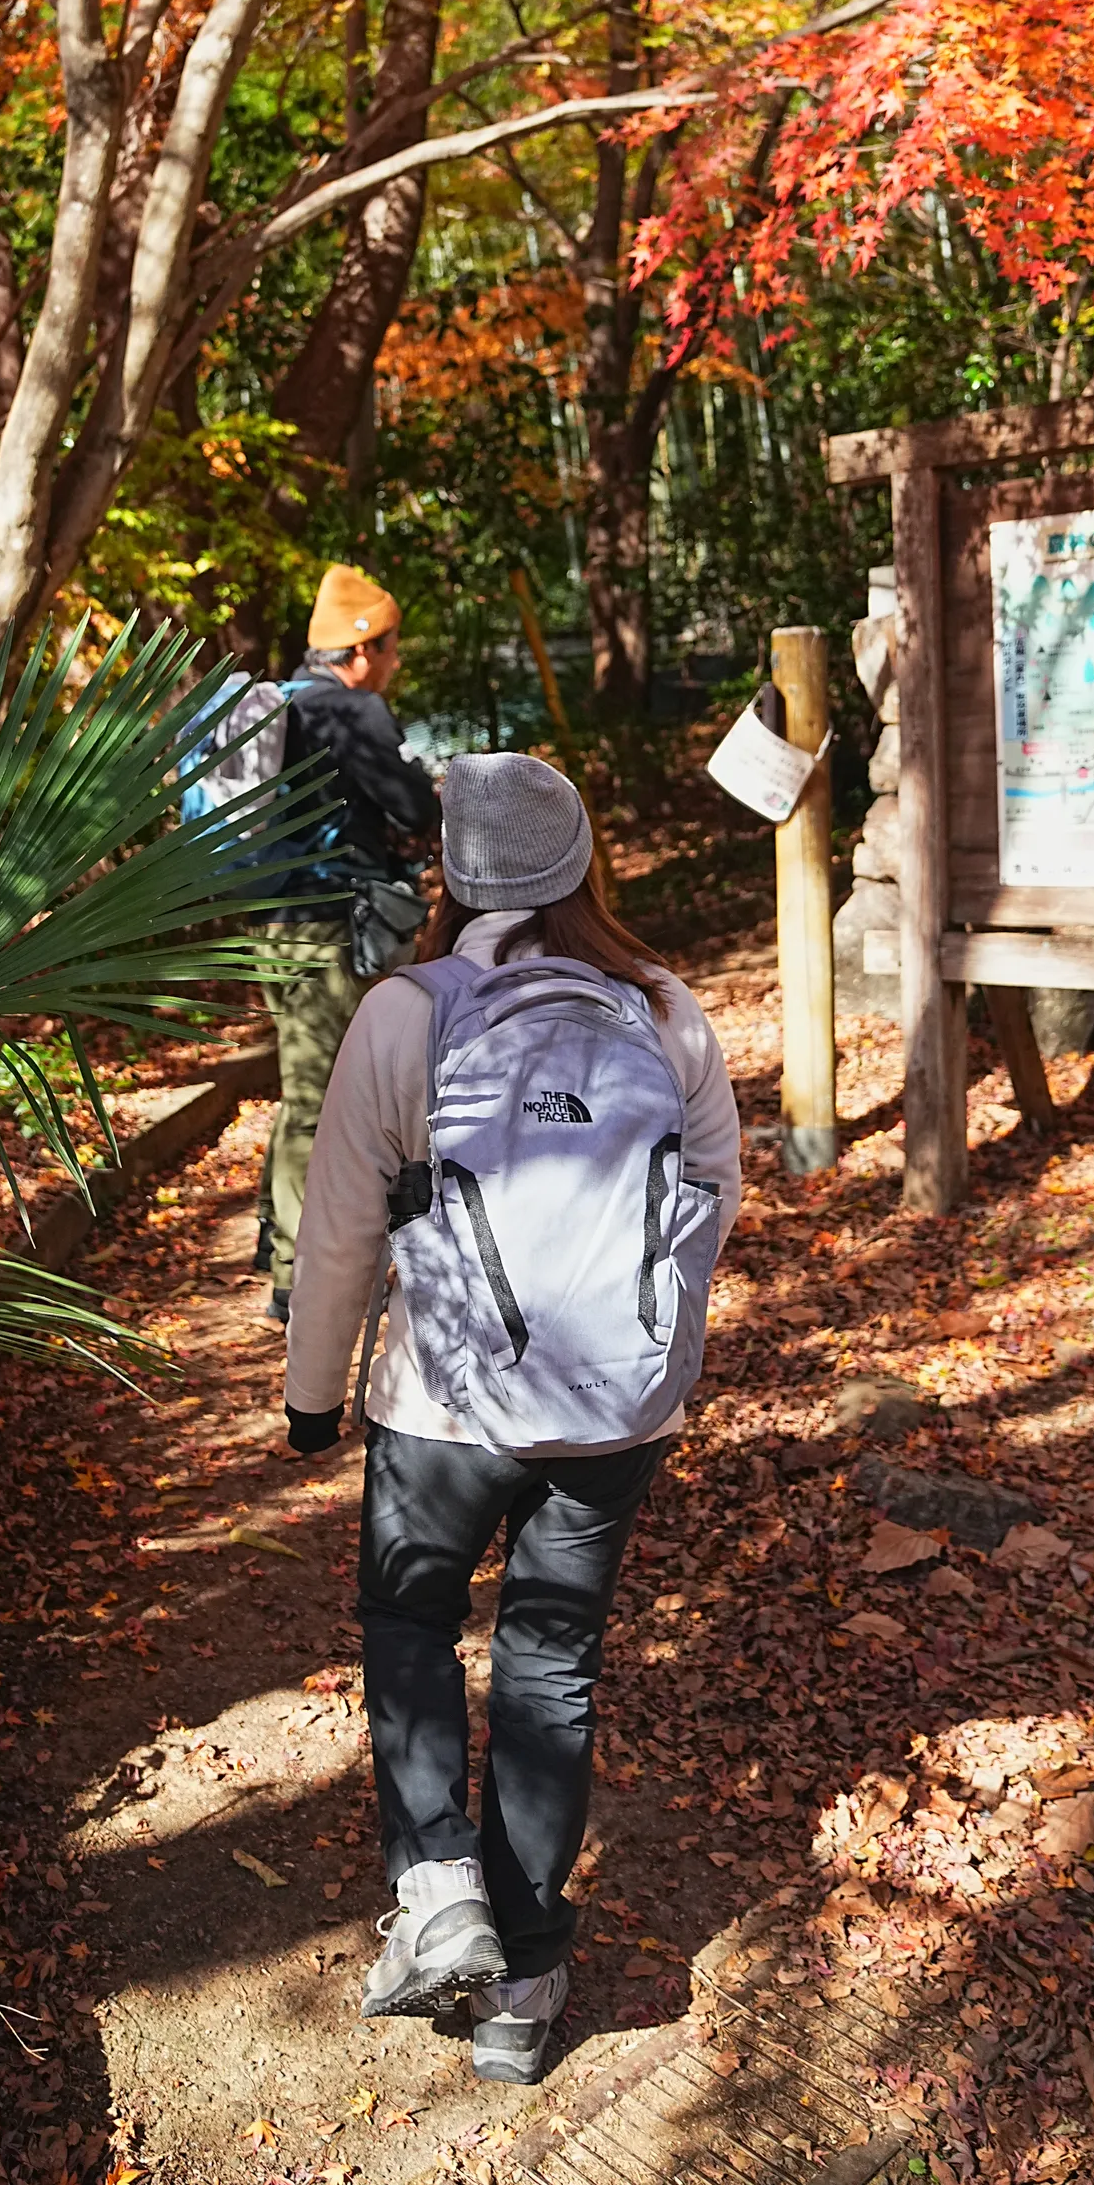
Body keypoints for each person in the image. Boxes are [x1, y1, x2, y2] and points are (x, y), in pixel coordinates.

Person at [282, 753, 742, 2087]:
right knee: (551, 1665)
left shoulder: (404, 1014)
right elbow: (712, 1191)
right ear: (584, 861)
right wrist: (638, 1334)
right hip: (614, 1414)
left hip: (441, 1408)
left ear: (449, 870)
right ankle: (524, 1989)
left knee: (410, 1622)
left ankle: (439, 1890)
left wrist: (314, 1398)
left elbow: (339, 1229)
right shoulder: (664, 1009)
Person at [257, 565, 439, 1323]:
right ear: (363, 649)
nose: (394, 664)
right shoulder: (351, 710)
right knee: (320, 1100)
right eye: (391, 649)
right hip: (326, 930)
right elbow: (416, 805)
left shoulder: (286, 704)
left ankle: (279, 1244)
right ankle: (301, 1282)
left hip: (271, 926)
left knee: (304, 1086)